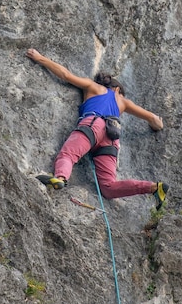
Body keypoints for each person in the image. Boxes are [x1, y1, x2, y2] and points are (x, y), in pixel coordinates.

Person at [26, 49, 169, 209]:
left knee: (68, 154)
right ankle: (153, 187)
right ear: (116, 89)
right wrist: (159, 124)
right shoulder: (124, 102)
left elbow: (65, 75)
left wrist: (40, 58)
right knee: (108, 187)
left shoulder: (93, 87)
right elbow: (154, 121)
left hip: (94, 125)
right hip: (112, 138)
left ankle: (61, 177)